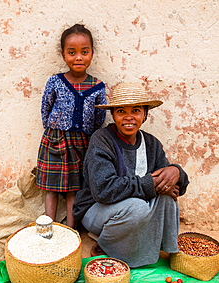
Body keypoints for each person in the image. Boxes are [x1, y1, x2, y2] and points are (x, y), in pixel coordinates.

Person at [73, 82, 189, 267]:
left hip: (133, 209)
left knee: (167, 199)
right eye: (121, 112)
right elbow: (103, 190)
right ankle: (104, 246)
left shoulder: (151, 144)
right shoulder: (102, 140)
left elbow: (175, 186)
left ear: (145, 114)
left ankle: (165, 249)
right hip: (97, 209)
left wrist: (176, 172)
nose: (129, 118)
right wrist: (151, 184)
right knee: (138, 208)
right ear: (113, 115)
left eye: (135, 111)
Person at [36, 24, 106, 229]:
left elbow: (100, 116)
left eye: (85, 52)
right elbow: (45, 107)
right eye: (72, 52)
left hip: (80, 143)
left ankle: (70, 229)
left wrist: (88, 137)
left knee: (73, 187)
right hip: (55, 139)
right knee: (51, 187)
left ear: (92, 53)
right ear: (63, 54)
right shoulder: (55, 82)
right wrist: (51, 130)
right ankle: (48, 227)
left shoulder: (97, 86)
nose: (78, 57)